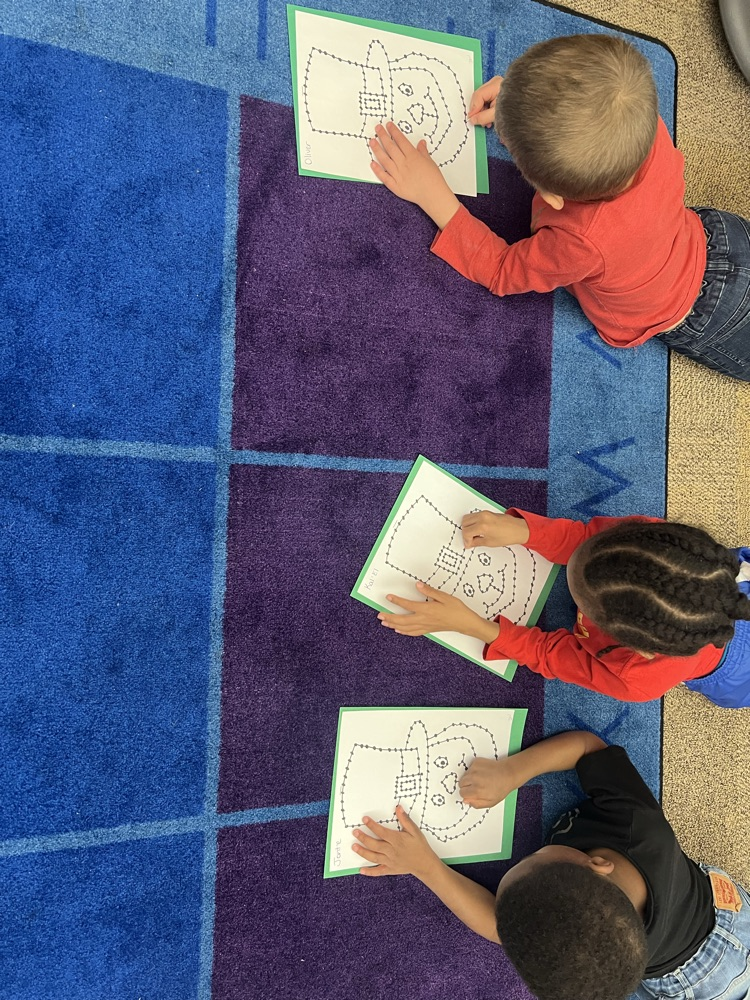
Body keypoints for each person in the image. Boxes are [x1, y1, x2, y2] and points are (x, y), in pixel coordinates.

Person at [369, 34, 750, 381]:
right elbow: (591, 111)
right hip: (725, 238)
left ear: (553, 199)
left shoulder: (579, 242)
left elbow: (502, 271)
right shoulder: (642, 120)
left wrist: (433, 195)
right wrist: (523, 108)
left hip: (710, 318)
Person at [351, 730, 750, 1000]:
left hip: (696, 983)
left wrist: (427, 867)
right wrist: (514, 770)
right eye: (532, 860)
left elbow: (500, 927)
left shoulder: (640, 839)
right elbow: (590, 746)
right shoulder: (637, 823)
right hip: (728, 913)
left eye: (531, 857)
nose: (530, 851)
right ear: (596, 863)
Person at [377, 507, 750, 705]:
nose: (570, 563)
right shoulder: (645, 540)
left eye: (579, 594)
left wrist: (471, 624)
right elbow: (586, 537)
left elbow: (551, 656)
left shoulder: (636, 677)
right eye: (583, 556)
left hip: (735, 676)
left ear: (628, 642)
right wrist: (527, 532)